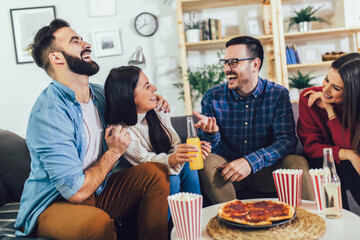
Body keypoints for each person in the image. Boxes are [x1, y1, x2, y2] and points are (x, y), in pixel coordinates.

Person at [15, 19, 171, 240]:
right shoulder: (49, 114)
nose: (86, 44)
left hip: (98, 189)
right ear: (57, 57)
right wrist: (114, 152)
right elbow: (76, 192)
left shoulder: (99, 95)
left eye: (82, 38)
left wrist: (152, 99)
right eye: (75, 41)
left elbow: (130, 102)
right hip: (55, 203)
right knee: (96, 224)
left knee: (156, 173)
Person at [193, 36, 314, 204]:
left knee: (297, 162)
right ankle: (233, 220)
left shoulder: (278, 94)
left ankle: (310, 222)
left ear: (255, 65)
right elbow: (209, 149)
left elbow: (286, 141)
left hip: (267, 171)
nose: (227, 69)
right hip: (227, 174)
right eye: (225, 62)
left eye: (234, 62)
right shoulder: (212, 97)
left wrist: (250, 162)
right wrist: (211, 134)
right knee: (206, 160)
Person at [104, 66, 211, 198]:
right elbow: (146, 162)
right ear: (128, 95)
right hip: (137, 181)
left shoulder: (157, 110)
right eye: (147, 87)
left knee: (188, 164)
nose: (154, 88)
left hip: (160, 168)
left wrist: (188, 152)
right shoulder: (120, 132)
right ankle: (167, 219)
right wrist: (174, 158)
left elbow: (174, 144)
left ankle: (194, 215)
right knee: (171, 178)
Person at [297, 52, 360, 209]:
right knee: (334, 164)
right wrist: (349, 154)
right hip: (322, 161)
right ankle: (338, 219)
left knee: (347, 165)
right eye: (326, 79)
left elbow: (348, 143)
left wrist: (330, 112)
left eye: (336, 88)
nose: (325, 89)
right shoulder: (308, 98)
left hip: (351, 164)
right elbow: (312, 148)